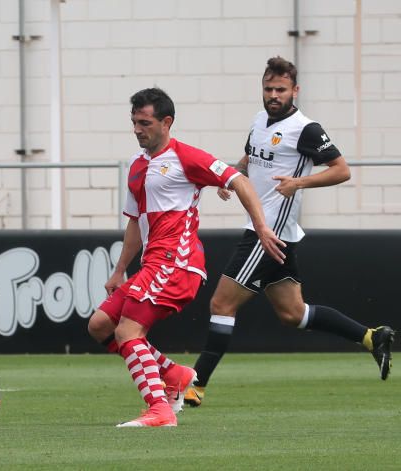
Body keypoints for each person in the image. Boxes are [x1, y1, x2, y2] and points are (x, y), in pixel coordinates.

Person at [184, 57, 395, 407]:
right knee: (293, 314)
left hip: (268, 233)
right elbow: (254, 156)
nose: (273, 95)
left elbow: (342, 171)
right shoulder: (259, 120)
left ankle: (196, 385)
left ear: (295, 91)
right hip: (271, 231)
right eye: (268, 89)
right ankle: (373, 337)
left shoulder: (306, 128)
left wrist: (299, 182)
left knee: (221, 303)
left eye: (280, 90)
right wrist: (232, 175)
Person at [85, 87, 285, 427]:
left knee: (128, 332)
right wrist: (120, 270)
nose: (137, 129)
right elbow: (136, 222)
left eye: (144, 123)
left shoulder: (186, 157)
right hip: (153, 264)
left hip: (176, 262)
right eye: (134, 122)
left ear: (166, 122)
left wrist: (261, 227)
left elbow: (239, 181)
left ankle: (160, 410)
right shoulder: (136, 167)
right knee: (100, 325)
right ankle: (175, 375)